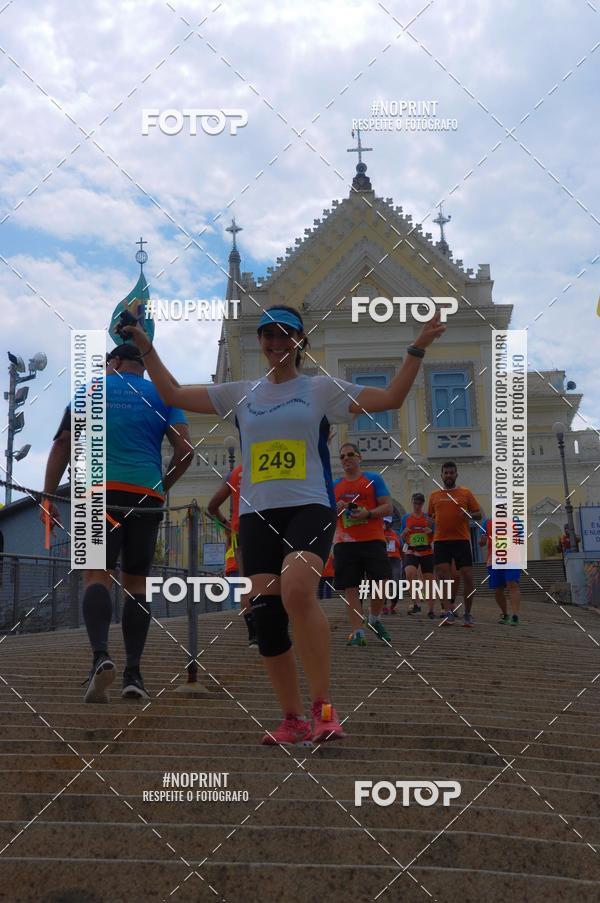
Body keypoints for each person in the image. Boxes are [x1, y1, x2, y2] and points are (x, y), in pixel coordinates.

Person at [122, 304, 444, 745]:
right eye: (268, 335)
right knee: (268, 617)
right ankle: (292, 718)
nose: (277, 343)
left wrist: (417, 348)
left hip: (308, 506)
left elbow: (390, 399)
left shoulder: (320, 389)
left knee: (296, 591)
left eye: (286, 335)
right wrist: (145, 346)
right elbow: (174, 394)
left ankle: (324, 708)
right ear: (260, 341)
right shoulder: (241, 393)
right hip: (256, 515)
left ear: (300, 341)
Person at [41, 342, 192, 702]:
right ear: (142, 364)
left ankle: (99, 658)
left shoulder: (91, 389)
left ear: (115, 361)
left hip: (97, 492)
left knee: (96, 575)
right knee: (136, 585)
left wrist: (47, 496)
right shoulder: (164, 392)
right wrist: (160, 488)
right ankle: (134, 675)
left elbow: (63, 443)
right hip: (146, 494)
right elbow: (185, 451)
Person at [333, 444, 393, 646]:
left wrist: (368, 513)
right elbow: (326, 515)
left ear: (359, 457)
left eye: (350, 454)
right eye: (342, 456)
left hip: (373, 539)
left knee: (381, 582)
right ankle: (357, 631)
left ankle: (374, 619)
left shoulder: (373, 479)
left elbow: (388, 506)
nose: (346, 459)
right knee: (351, 589)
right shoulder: (336, 485)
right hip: (345, 543)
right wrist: (337, 508)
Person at [207, 465, 257, 647]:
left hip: (240, 530)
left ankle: (253, 635)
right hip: (264, 528)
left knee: (246, 583)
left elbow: (212, 506)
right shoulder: (269, 465)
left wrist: (227, 525)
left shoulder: (235, 473)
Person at [427, 462, 481, 627]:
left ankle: (467, 613)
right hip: (441, 541)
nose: (449, 475)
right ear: (441, 475)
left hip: (461, 540)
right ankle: (448, 611)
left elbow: (478, 514)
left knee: (468, 576)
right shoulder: (434, 495)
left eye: (451, 473)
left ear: (456, 474)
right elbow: (430, 518)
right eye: (446, 473)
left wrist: (468, 515)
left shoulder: (465, 493)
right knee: (443, 577)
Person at [480, 517, 522, 625]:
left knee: (513, 584)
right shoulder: (487, 522)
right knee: (498, 589)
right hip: (494, 559)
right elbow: (482, 541)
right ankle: (505, 614)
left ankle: (515, 615)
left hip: (512, 557)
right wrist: (482, 541)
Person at [400, 493, 435, 618]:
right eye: (415, 503)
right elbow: (401, 536)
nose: (417, 506)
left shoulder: (428, 518)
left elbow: (435, 534)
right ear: (412, 502)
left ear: (423, 504)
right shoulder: (406, 518)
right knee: (409, 572)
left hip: (426, 551)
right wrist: (404, 533)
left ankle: (431, 609)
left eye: (419, 503)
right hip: (411, 550)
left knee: (429, 580)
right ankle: (415, 604)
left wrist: (431, 532)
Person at [383, 516, 402, 615]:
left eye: (387, 522)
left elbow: (400, 545)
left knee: (396, 583)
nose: (385, 524)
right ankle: (384, 605)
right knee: (383, 583)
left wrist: (391, 539)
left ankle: (393, 605)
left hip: (395, 560)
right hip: (383, 560)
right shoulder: (378, 533)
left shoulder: (395, 533)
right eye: (383, 522)